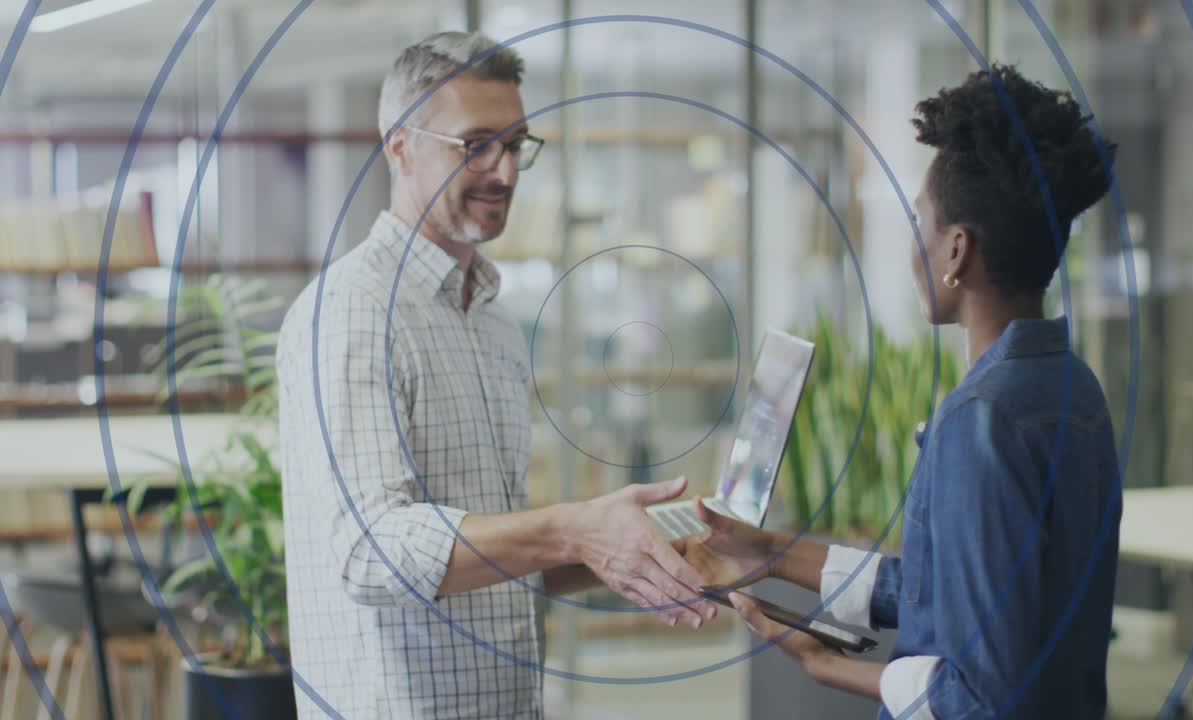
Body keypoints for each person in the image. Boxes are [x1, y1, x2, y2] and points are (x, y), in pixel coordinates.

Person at [276, 31, 714, 719]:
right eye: (475, 143)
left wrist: (623, 549)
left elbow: (490, 555)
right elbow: (369, 551)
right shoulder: (351, 312)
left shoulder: (492, 322)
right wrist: (572, 529)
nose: (504, 172)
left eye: (515, 146)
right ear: (400, 146)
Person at [682, 64, 1121, 718]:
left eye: (921, 221)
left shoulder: (981, 420)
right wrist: (767, 553)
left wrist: (828, 665)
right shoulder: (1070, 385)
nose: (912, 246)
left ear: (956, 251)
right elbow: (940, 592)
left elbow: (983, 698)